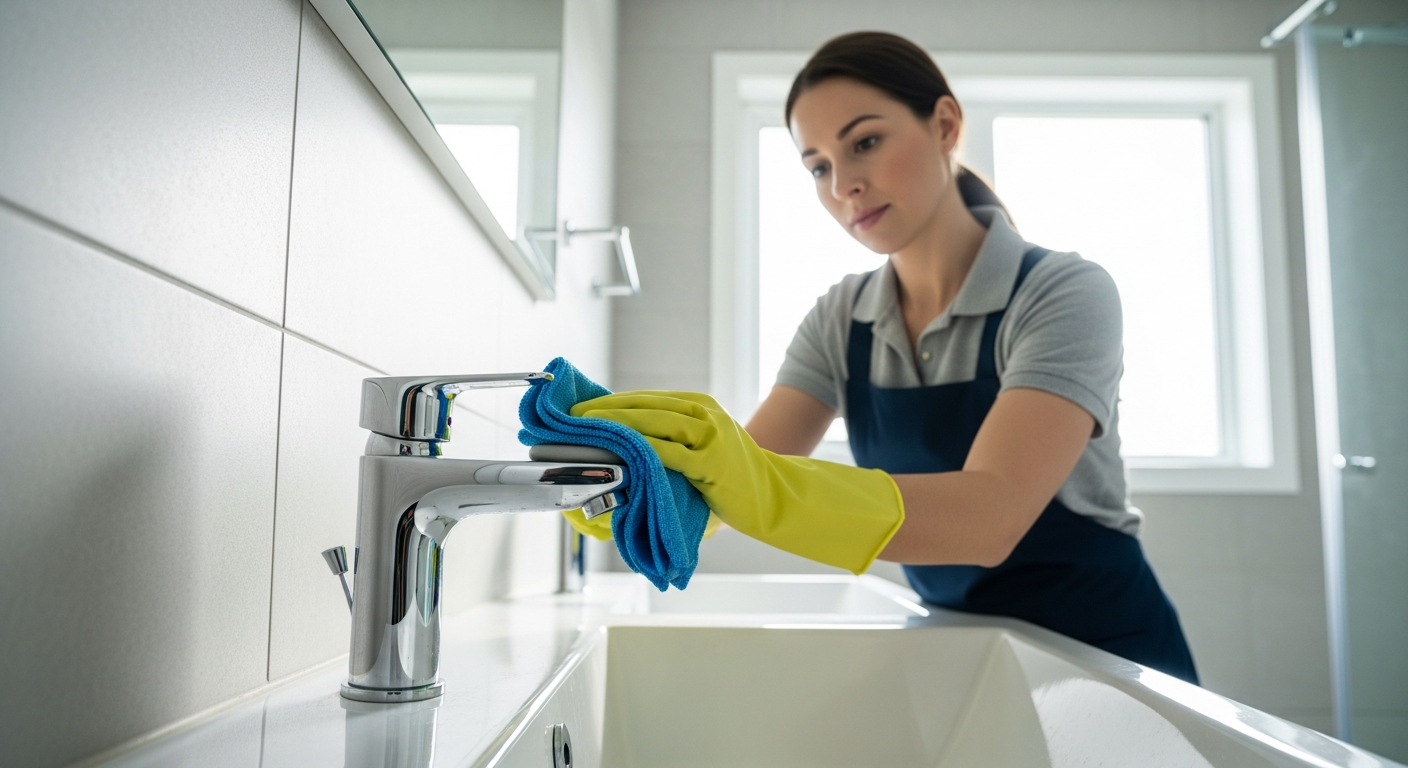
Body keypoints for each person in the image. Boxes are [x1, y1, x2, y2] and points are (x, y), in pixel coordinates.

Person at [570, 31, 1197, 684]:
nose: (844, 185)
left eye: (864, 142)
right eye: (817, 166)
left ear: (945, 125)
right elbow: (735, 478)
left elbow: (989, 518)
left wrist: (749, 481)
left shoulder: (1063, 293)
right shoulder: (841, 319)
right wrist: (624, 479)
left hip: (1108, 660)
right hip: (966, 657)